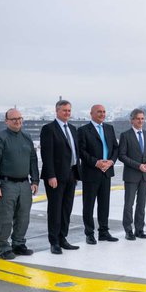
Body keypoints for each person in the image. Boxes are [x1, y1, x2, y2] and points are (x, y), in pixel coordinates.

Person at [0, 108, 39, 260]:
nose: (17, 121)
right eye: (13, 119)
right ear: (6, 121)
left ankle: (18, 244)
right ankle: (3, 247)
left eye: (19, 118)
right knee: (5, 217)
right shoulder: (0, 138)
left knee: (23, 217)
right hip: (6, 184)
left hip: (24, 184)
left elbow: (33, 160)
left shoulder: (27, 137)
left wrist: (35, 180)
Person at [40, 99, 81, 254]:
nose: (67, 113)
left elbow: (75, 152)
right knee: (55, 209)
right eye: (64, 110)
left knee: (66, 209)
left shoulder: (72, 128)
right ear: (57, 111)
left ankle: (63, 238)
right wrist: (51, 175)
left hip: (71, 174)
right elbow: (46, 154)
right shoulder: (48, 129)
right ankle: (54, 241)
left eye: (69, 110)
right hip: (55, 176)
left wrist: (76, 173)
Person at [77, 104, 119, 245]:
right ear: (91, 114)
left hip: (106, 172)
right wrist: (96, 163)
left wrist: (111, 162)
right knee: (88, 205)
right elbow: (81, 151)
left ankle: (103, 232)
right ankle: (89, 233)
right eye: (99, 112)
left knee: (104, 204)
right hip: (91, 172)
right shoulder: (83, 130)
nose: (102, 114)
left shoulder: (109, 128)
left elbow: (115, 148)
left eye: (104, 112)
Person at [118, 108, 146, 240]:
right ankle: (128, 230)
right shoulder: (125, 135)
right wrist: (138, 165)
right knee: (129, 204)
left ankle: (139, 229)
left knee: (142, 204)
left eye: (142, 119)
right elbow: (121, 155)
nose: (140, 121)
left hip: (145, 175)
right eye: (138, 119)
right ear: (132, 120)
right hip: (131, 175)